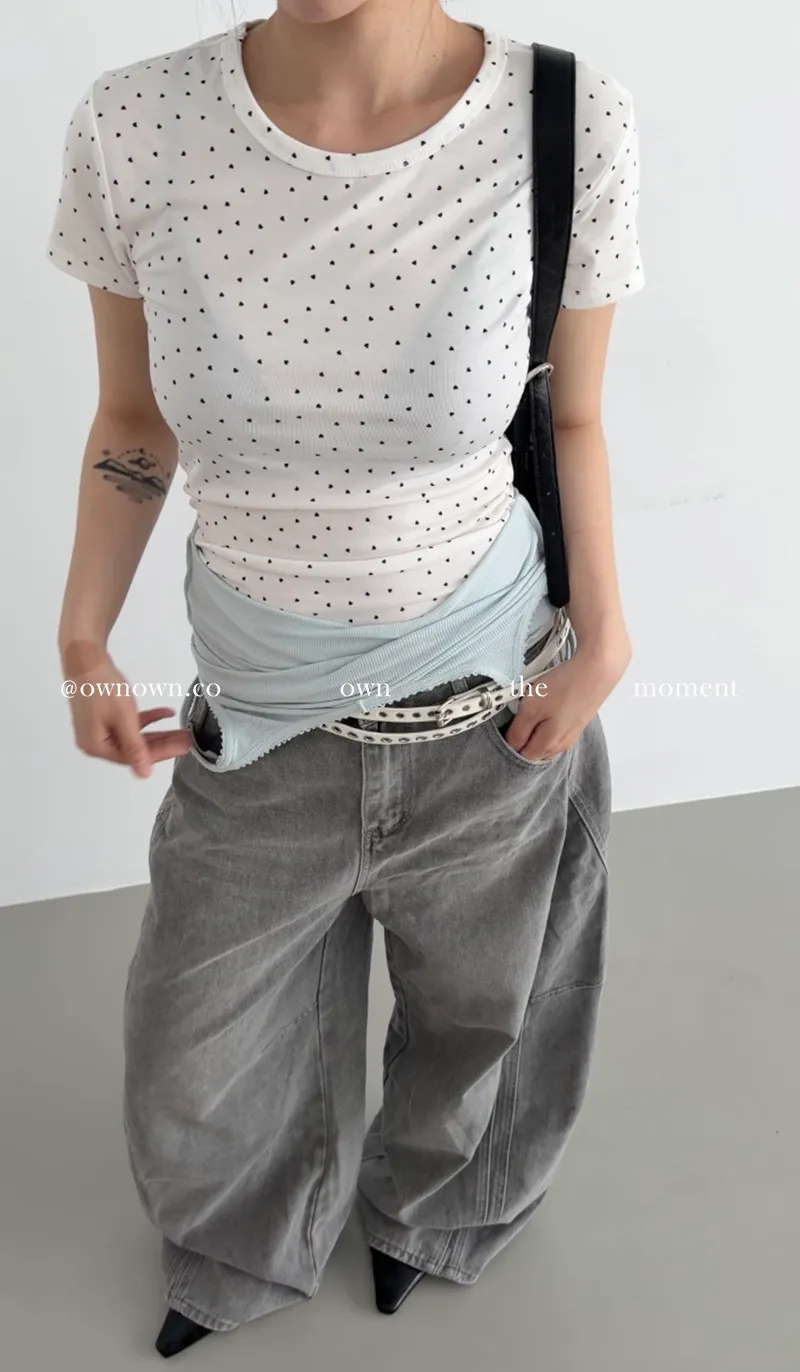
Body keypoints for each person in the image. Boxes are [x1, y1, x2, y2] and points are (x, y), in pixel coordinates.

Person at [46, 0, 644, 1358]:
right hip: (259, 725)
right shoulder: (133, 124)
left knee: (489, 1018)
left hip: (494, 713)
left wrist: (606, 637)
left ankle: (430, 1219)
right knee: (197, 1051)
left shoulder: (565, 118)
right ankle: (237, 1244)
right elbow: (133, 420)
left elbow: (571, 411)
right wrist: (83, 640)